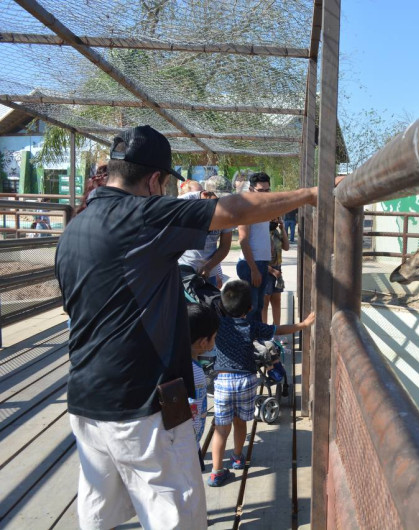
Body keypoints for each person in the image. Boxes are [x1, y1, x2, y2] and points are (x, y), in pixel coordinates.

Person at [54, 125, 322, 529]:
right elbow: (234, 210)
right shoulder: (144, 213)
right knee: (175, 516)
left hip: (85, 399)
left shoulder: (74, 228)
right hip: (143, 404)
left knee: (97, 514)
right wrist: (311, 194)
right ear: (155, 180)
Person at [208, 280, 315, 487]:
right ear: (249, 308)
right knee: (240, 422)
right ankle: (238, 458)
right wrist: (302, 325)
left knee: (221, 429)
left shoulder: (218, 324)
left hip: (223, 382)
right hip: (246, 380)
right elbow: (278, 330)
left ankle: (216, 472)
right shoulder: (251, 326)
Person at [187, 303, 220, 473]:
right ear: (202, 342)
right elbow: (192, 407)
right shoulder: (196, 373)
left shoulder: (179, 363)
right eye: (213, 337)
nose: (214, 342)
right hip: (187, 447)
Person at [237, 172, 273, 323]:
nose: (264, 194)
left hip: (262, 263)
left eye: (267, 190)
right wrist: (253, 269)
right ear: (251, 189)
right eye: (260, 190)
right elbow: (243, 240)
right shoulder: (246, 209)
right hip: (251, 264)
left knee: (259, 306)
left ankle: (256, 340)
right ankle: (248, 342)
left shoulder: (265, 208)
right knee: (251, 308)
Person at [179, 189, 232, 287]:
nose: (221, 204)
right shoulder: (185, 201)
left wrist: (208, 267)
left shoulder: (226, 211)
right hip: (184, 270)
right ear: (206, 194)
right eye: (218, 200)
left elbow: (225, 246)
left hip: (209, 273)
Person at [266, 216, 290, 325]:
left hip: (278, 270)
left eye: (276, 219)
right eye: (272, 218)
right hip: (266, 270)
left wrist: (283, 228)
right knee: (264, 303)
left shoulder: (276, 232)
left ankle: (277, 330)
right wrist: (272, 271)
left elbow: (286, 247)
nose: (274, 221)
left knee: (277, 301)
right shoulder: (261, 234)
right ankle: (265, 332)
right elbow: (256, 257)